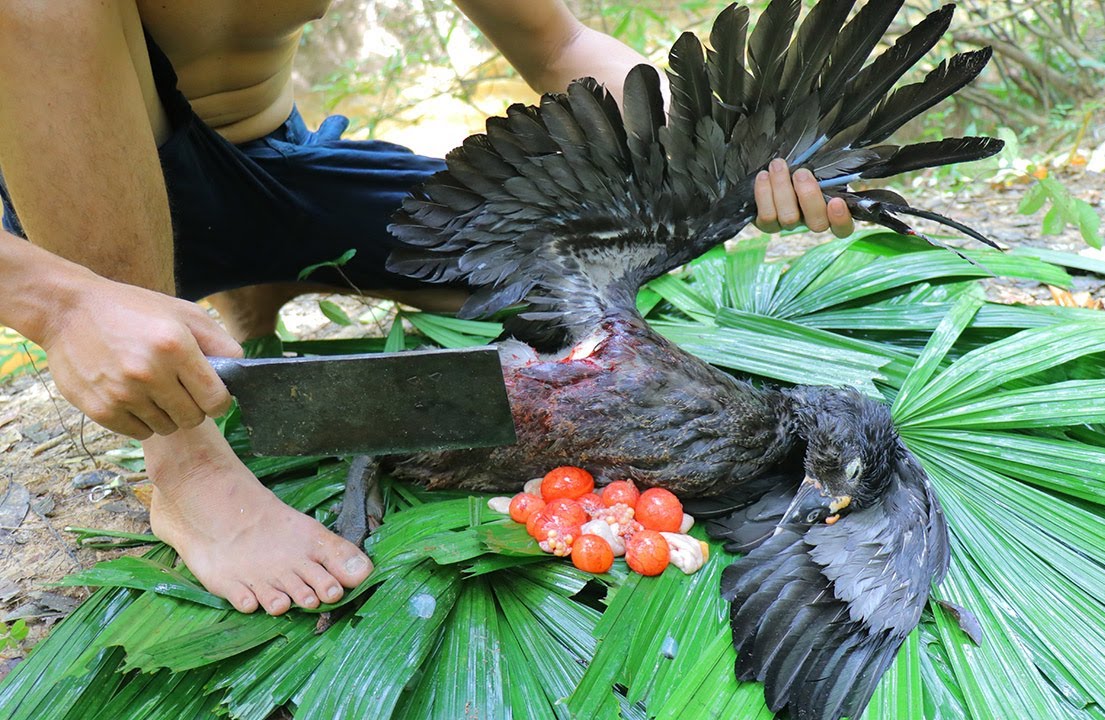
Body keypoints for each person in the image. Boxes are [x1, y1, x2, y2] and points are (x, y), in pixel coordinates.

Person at [0, 0, 853, 616]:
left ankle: (263, 286)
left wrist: (731, 162)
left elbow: (559, 44)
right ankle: (185, 469)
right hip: (75, 205)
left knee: (549, 297)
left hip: (277, 163)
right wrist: (59, 303)